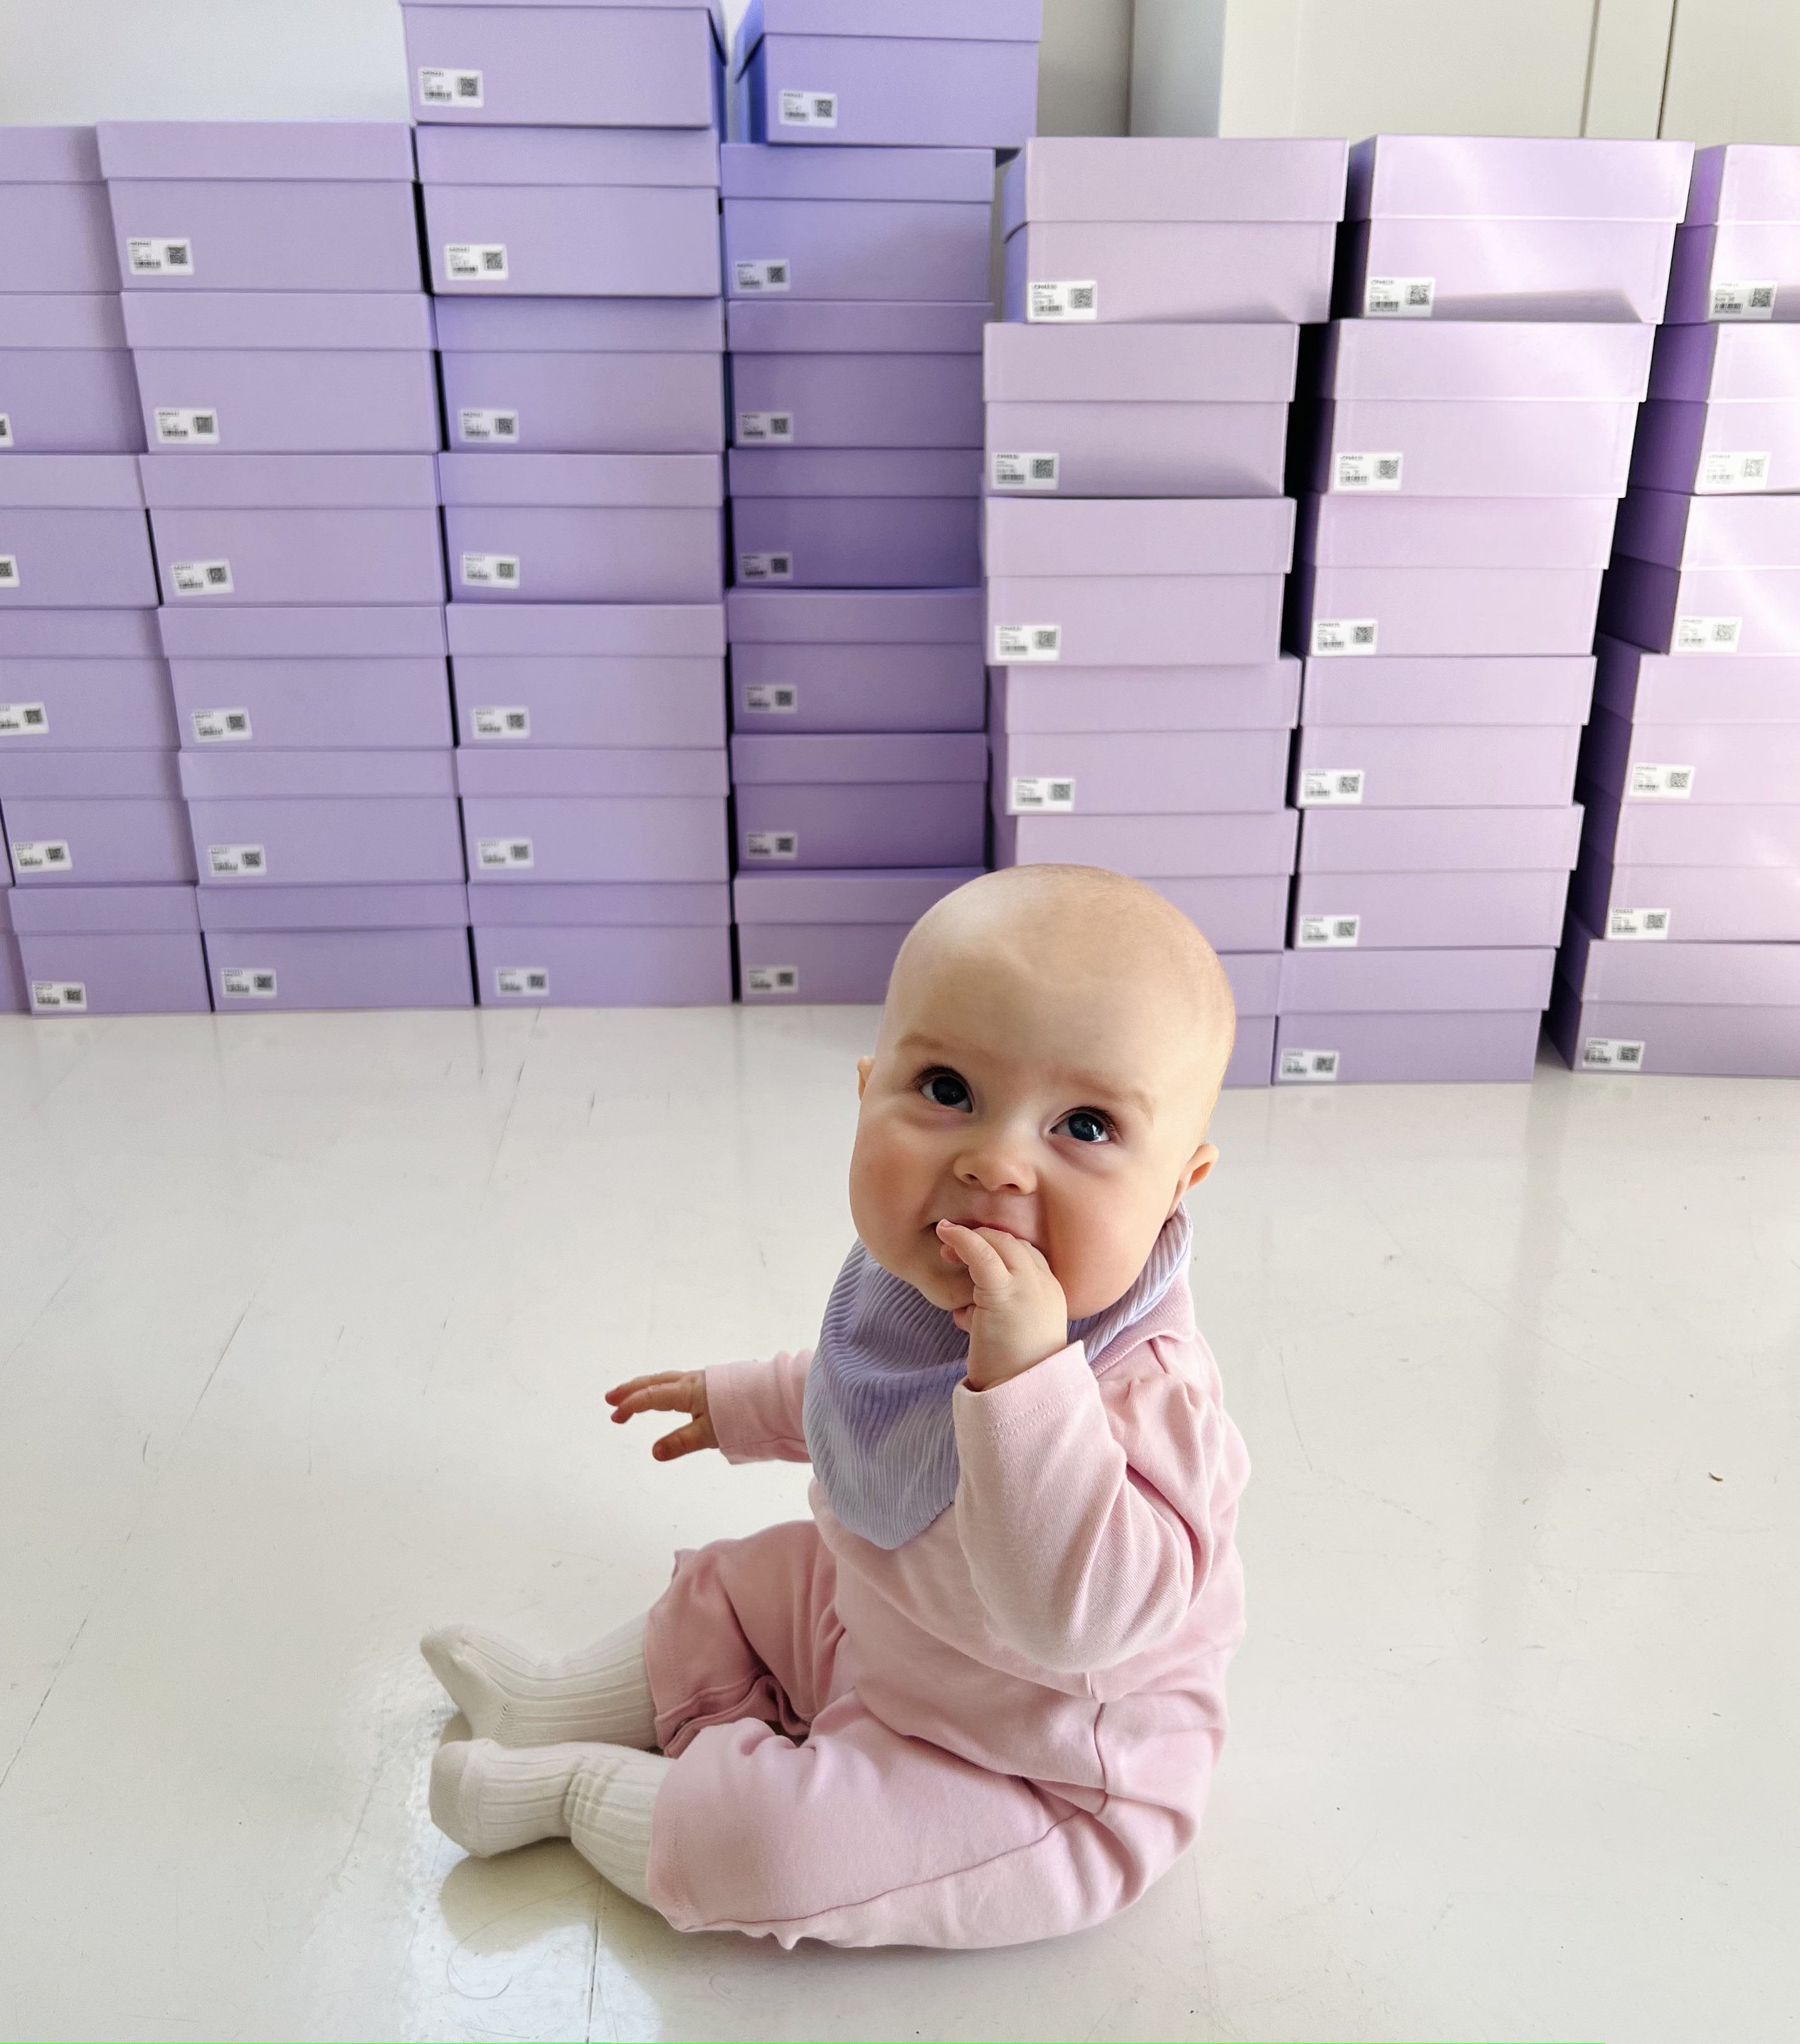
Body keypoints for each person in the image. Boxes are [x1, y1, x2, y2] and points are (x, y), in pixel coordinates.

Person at [423, 863, 1251, 1949]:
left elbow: (1073, 1620)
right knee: (754, 1582)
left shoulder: (1149, 1392)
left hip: (1030, 1763)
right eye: (947, 1089)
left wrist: (1026, 1380)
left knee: (779, 1850)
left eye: (1085, 1126)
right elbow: (873, 1390)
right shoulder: (919, 1276)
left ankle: (578, 1795)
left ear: (1178, 1184)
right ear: (868, 1092)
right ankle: (550, 1701)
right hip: (888, 1620)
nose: (994, 1163)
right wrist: (744, 1403)